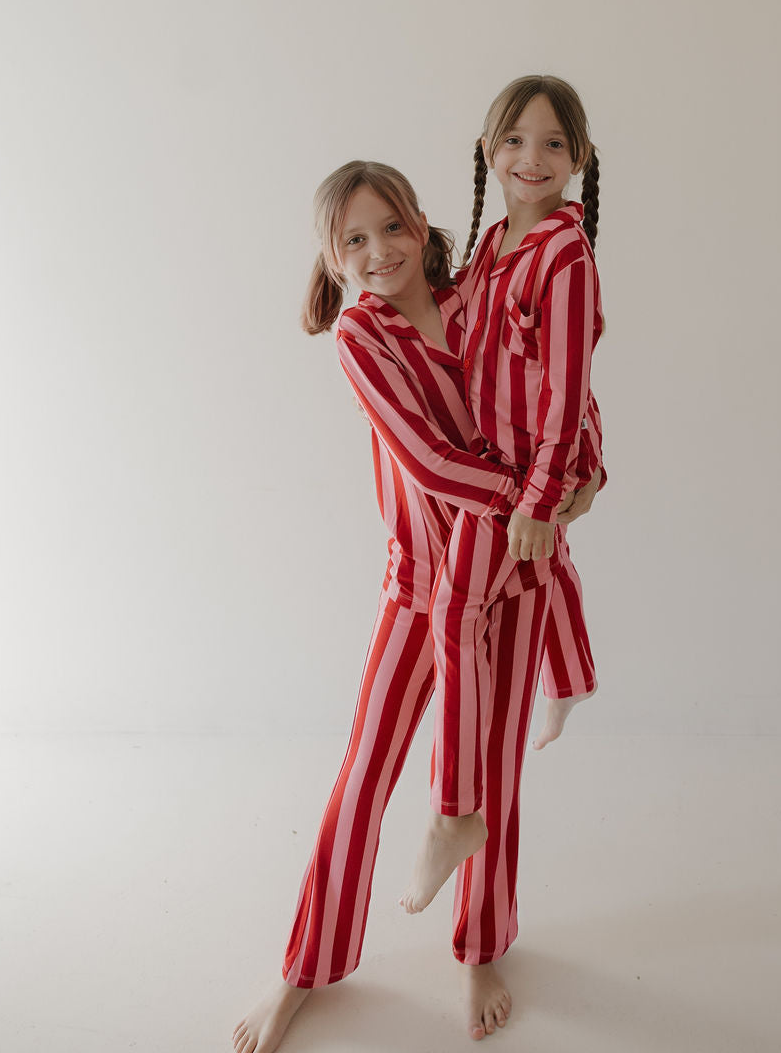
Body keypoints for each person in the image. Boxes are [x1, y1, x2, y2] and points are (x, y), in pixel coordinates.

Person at [233, 160, 600, 1053]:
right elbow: (434, 464)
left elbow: (558, 383)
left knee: (494, 784)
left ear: (420, 221)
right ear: (332, 258)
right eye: (353, 240)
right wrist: (534, 496)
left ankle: (479, 948)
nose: (379, 251)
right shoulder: (360, 338)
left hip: (507, 580)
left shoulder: (474, 290)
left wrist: (580, 476)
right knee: (363, 781)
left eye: (391, 228)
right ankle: (302, 971)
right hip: (419, 588)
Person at [402, 76, 603, 915]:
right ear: (489, 151)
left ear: (580, 160)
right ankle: (573, 677)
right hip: (506, 459)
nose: (533, 157)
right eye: (515, 140)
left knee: (457, 609)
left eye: (554, 143)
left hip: (527, 468)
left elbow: (565, 386)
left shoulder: (564, 252)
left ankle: (455, 813)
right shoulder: (494, 243)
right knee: (538, 572)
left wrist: (541, 496)